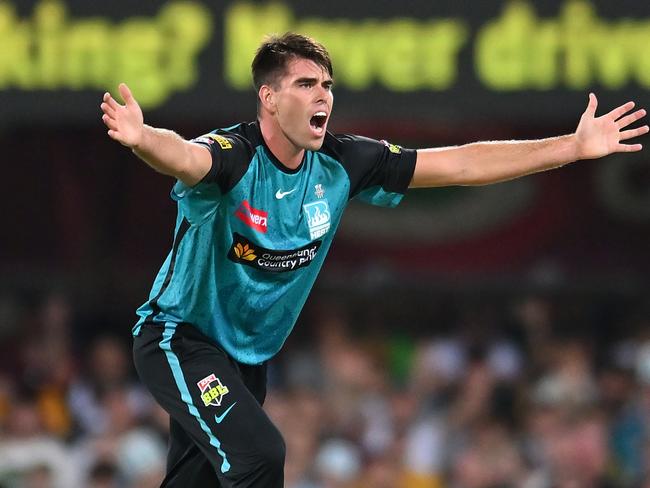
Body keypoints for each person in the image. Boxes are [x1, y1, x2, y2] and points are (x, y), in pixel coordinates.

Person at [99, 32, 647, 488]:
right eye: (306, 84)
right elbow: (184, 156)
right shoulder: (234, 157)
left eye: (327, 85)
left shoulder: (342, 163)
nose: (323, 97)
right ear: (268, 97)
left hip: (247, 358)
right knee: (260, 455)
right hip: (180, 339)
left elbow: (457, 165)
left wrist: (570, 148)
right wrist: (142, 137)